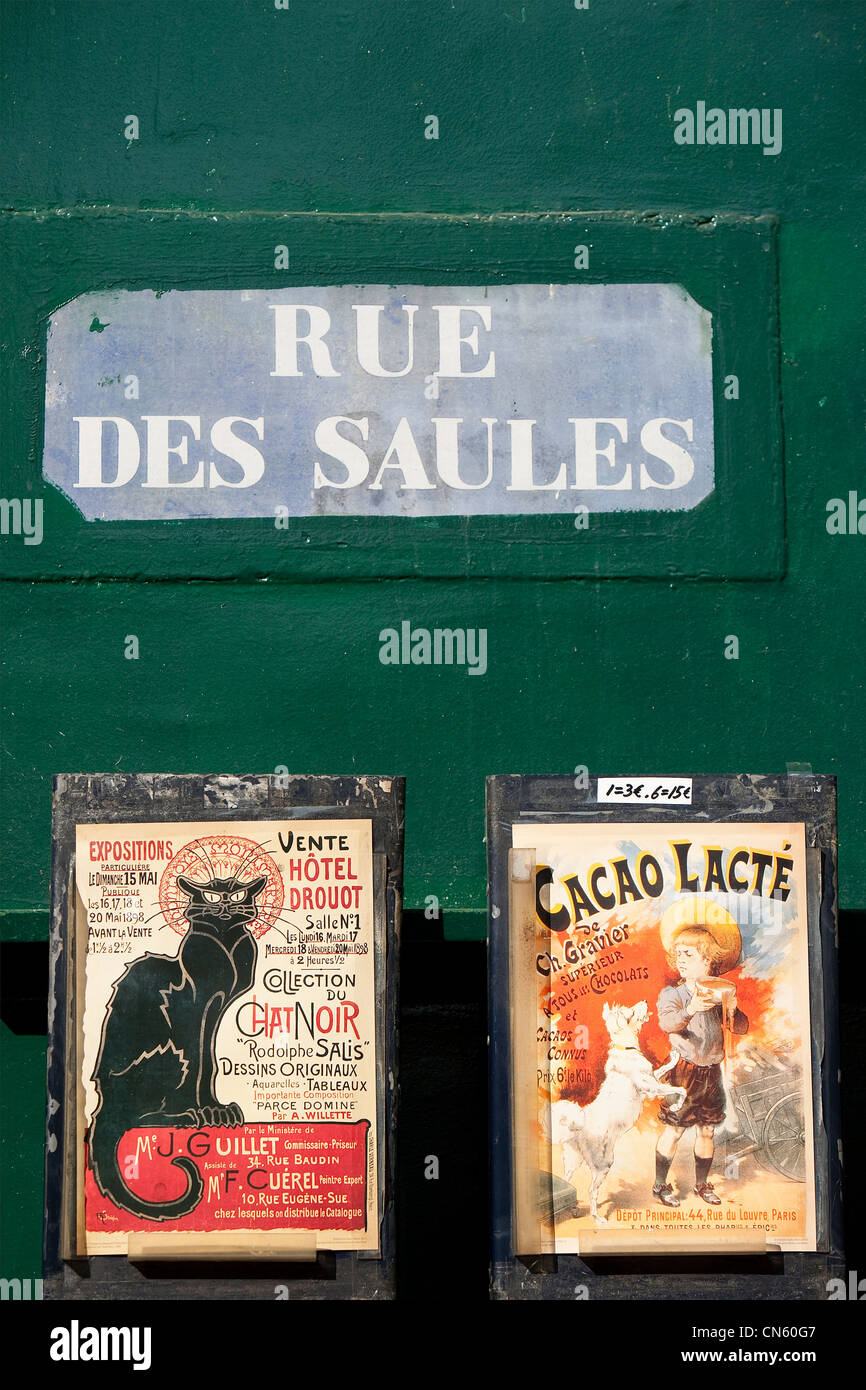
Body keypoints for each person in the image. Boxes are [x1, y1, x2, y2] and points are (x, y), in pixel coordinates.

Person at [652, 901, 748, 1208]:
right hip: (683, 1072)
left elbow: (741, 1027)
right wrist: (691, 1008)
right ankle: (659, 1185)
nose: (680, 960)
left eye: (688, 955)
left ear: (708, 960)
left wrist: (732, 1009)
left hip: (710, 1073)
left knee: (707, 1130)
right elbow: (667, 1023)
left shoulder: (719, 992)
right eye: (678, 954)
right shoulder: (673, 995)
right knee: (675, 1129)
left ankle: (702, 1185)